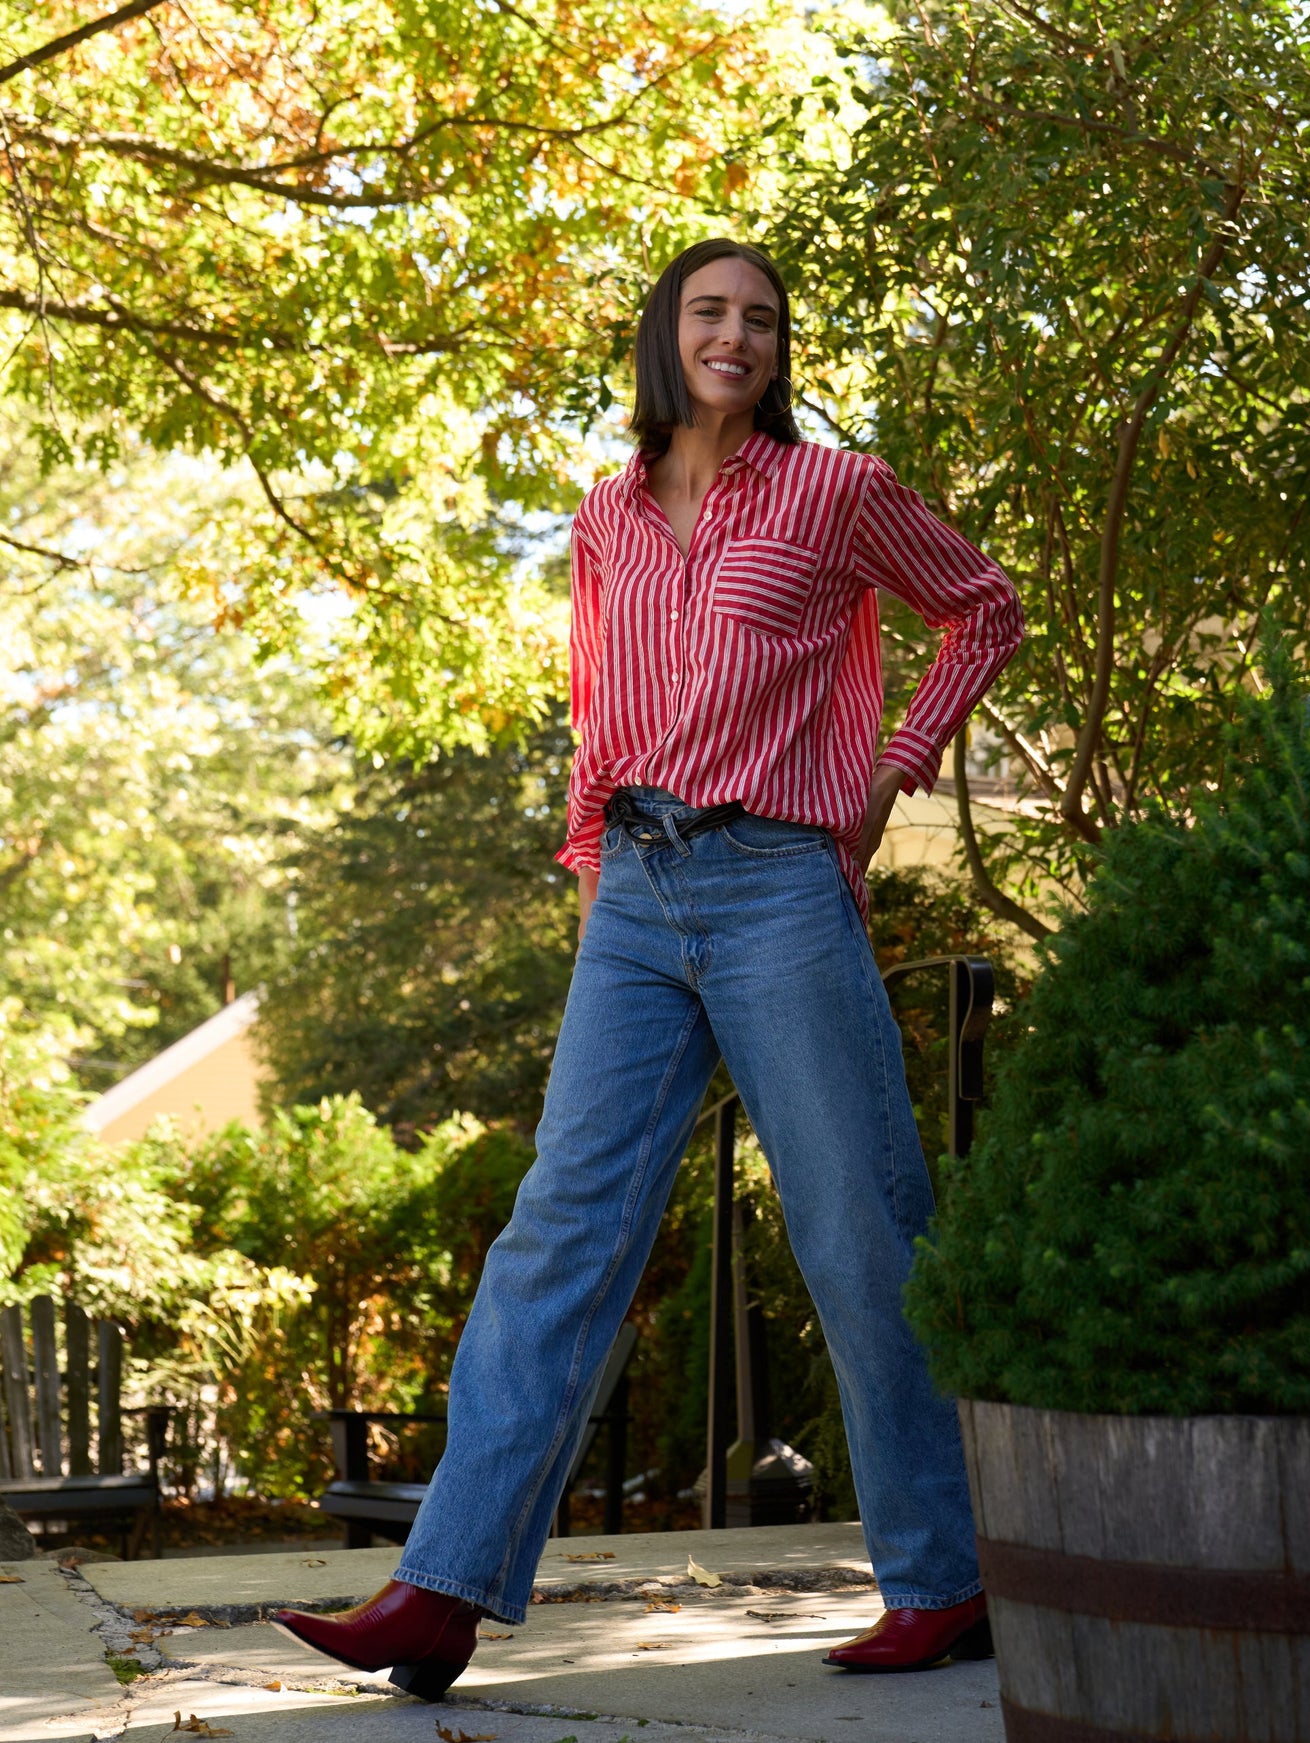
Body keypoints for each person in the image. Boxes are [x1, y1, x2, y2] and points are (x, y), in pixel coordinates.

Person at [275, 238, 1024, 1701]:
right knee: (558, 1230)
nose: (736, 336)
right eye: (709, 312)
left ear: (779, 349)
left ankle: (944, 1582)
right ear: (663, 335)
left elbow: (981, 609)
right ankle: (440, 1589)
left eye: (762, 319)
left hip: (777, 883)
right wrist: (592, 883)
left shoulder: (833, 492)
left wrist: (893, 772)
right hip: (633, 886)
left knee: (857, 1232)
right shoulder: (606, 515)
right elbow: (597, 710)